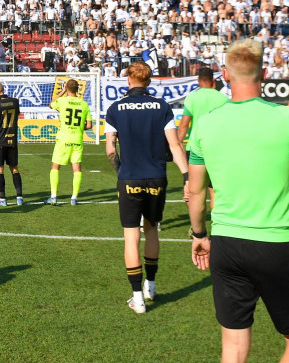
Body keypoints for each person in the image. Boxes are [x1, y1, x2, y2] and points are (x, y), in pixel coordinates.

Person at [187, 39, 289, 362]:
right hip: (276, 244)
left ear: (225, 75)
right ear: (265, 73)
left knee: (233, 344)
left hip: (227, 243)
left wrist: (199, 234)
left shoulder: (206, 124)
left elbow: (196, 192)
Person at [104, 62, 189, 314]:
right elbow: (174, 146)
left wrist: (122, 173)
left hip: (129, 178)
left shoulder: (115, 108)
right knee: (152, 231)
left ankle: (137, 298)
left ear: (129, 80)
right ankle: (151, 286)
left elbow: (110, 151)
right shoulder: (161, 107)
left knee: (131, 237)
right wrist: (186, 177)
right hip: (156, 178)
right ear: (149, 81)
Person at [176, 67, 227, 212]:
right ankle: (217, 223)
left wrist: (177, 147)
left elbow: (184, 125)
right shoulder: (222, 98)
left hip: (194, 148)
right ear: (213, 81)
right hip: (216, 149)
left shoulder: (192, 97)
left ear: (198, 81)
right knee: (214, 191)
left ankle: (196, 227)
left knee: (193, 190)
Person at [47, 79, 93, 205]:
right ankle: (74, 198)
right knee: (77, 169)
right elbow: (89, 125)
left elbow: (50, 104)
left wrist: (62, 92)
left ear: (67, 88)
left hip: (63, 138)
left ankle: (53, 196)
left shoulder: (62, 101)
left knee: (55, 166)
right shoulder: (83, 104)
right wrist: (78, 127)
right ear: (77, 89)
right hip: (77, 139)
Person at [0, 81, 23, 206]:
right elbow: (15, 115)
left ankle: (3, 199)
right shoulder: (15, 101)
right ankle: (19, 198)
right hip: (12, 140)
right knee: (14, 169)